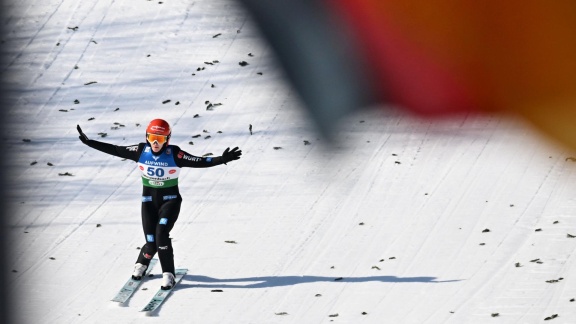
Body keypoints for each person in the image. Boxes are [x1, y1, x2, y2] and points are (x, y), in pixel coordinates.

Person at [77, 119, 242, 289]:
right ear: (147, 137)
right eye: (152, 137)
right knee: (150, 240)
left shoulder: (175, 154)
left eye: (161, 139)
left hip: (170, 201)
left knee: (161, 234)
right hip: (148, 201)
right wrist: (89, 142)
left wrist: (222, 159)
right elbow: (115, 149)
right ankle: (142, 263)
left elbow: (199, 161)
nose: (156, 143)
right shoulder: (141, 151)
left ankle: (168, 274)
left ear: (168, 139)